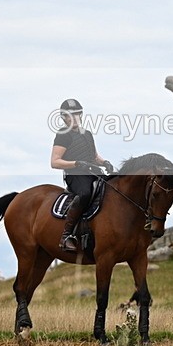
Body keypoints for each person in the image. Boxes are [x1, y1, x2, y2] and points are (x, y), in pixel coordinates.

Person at [51, 98, 114, 252]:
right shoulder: (63, 135)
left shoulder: (87, 134)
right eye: (70, 115)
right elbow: (55, 162)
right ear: (64, 118)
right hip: (75, 175)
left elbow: (94, 156)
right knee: (85, 194)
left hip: (93, 172)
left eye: (77, 114)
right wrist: (77, 164)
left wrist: (105, 162)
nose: (74, 118)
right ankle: (66, 235)